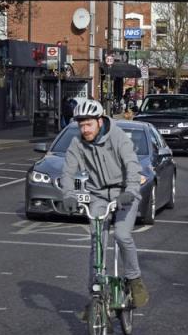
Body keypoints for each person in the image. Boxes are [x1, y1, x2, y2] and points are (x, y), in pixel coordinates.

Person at [61, 98, 150, 310]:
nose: (84, 129)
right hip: (99, 195)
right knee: (97, 240)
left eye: (88, 124)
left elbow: (131, 165)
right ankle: (95, 295)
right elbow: (68, 171)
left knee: (122, 234)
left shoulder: (118, 137)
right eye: (81, 125)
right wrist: (68, 195)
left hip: (124, 193)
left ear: (100, 121)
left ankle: (134, 279)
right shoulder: (77, 143)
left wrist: (129, 191)